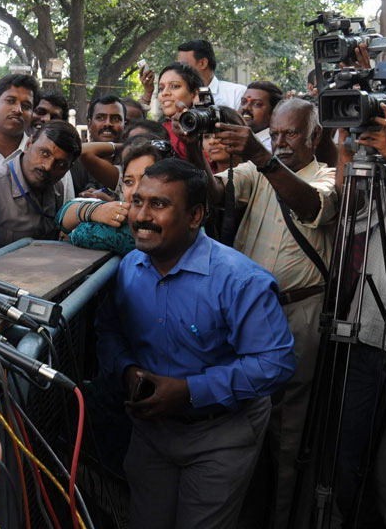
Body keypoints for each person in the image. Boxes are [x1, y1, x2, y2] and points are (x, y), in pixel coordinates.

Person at [96, 158, 295, 529]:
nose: (141, 216)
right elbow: (109, 331)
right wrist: (127, 371)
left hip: (221, 434)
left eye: (159, 205)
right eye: (138, 201)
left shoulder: (241, 281)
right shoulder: (130, 267)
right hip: (151, 433)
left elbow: (275, 363)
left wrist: (190, 391)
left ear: (195, 216)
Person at [206, 97, 338, 529]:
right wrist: (192, 147)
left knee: (288, 432)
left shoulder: (330, 176)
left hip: (298, 312)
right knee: (236, 420)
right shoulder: (254, 171)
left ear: (315, 136)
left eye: (291, 134)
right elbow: (209, 193)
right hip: (245, 315)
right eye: (275, 134)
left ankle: (282, 519)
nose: (280, 143)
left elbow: (311, 207)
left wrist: (261, 154)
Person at [0, 120, 81, 249]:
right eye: (44, 153)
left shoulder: (57, 187)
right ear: (28, 144)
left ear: (69, 168)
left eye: (60, 164)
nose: (48, 167)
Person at [57, 137, 174, 256]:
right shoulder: (124, 212)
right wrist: (95, 211)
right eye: (128, 182)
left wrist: (75, 229)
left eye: (145, 180)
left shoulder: (141, 230)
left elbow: (79, 233)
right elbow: (63, 214)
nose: (135, 191)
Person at [177, 39, 246, 110]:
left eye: (184, 66)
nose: (178, 70)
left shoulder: (236, 93)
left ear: (203, 63)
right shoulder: (177, 96)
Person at [157, 62, 203, 159]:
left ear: (194, 94)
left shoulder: (208, 130)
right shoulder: (156, 130)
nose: (164, 93)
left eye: (174, 86)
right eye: (161, 88)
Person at [239, 80, 283, 152]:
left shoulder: (274, 146)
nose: (246, 107)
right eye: (243, 102)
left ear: (273, 112)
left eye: (257, 104)